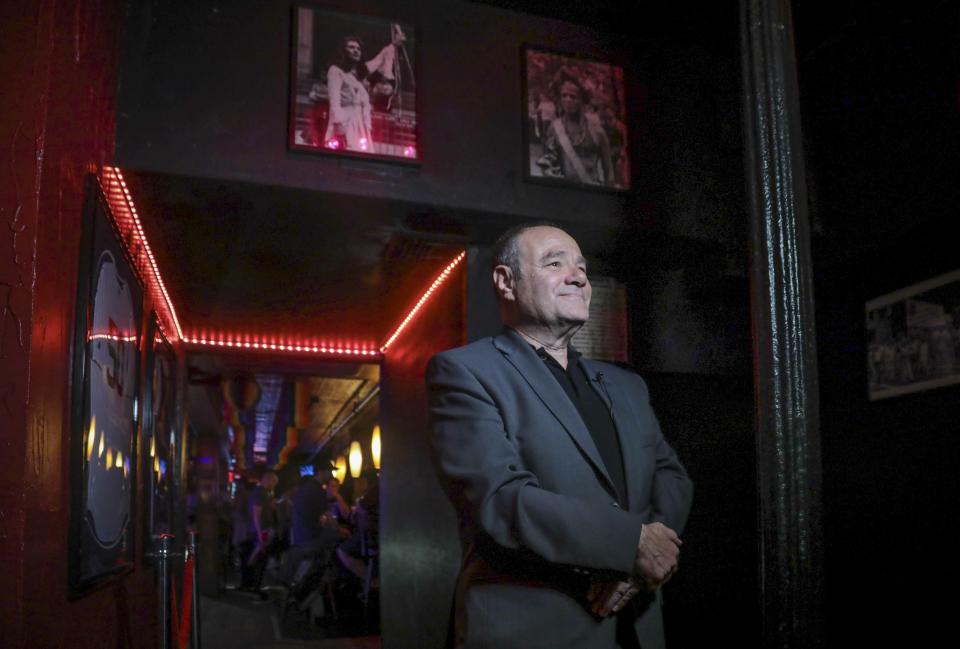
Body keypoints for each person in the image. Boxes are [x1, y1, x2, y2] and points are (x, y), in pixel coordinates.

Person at [427, 223, 693, 649]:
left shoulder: (626, 385)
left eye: (582, 267)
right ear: (505, 281)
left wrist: (647, 561)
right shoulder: (465, 372)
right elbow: (500, 498)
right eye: (555, 263)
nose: (578, 276)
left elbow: (671, 475)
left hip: (638, 625)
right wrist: (630, 545)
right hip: (530, 631)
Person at [323, 28, 406, 153]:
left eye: (358, 48)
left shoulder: (359, 75)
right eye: (351, 47)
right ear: (343, 51)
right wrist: (339, 127)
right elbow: (334, 103)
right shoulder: (336, 71)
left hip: (360, 123)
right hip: (345, 122)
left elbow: (380, 58)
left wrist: (394, 44)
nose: (356, 50)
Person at [536, 71, 615, 187]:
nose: (568, 100)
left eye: (573, 97)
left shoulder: (597, 132)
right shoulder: (554, 128)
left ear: (581, 101)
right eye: (564, 95)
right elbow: (547, 165)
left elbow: (608, 171)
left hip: (591, 190)